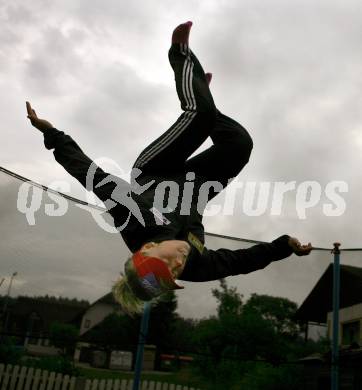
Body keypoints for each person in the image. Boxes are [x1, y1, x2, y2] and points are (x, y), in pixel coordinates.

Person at [26, 21, 312, 315]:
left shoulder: (134, 220)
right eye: (175, 274)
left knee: (199, 115)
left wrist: (51, 134)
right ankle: (201, 94)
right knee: (239, 144)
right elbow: (238, 262)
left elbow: (92, 176)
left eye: (167, 263)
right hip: (195, 187)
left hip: (155, 170)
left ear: (147, 250)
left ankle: (180, 54)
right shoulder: (196, 266)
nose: (178, 264)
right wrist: (284, 247)